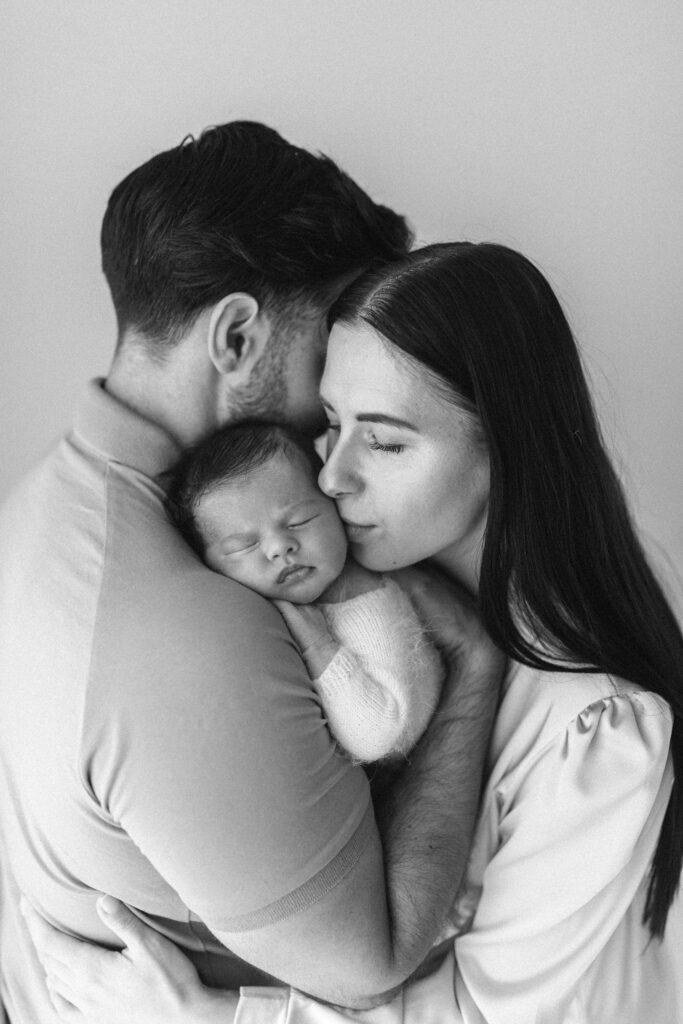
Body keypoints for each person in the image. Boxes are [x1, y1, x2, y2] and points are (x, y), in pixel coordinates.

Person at [26, 241, 683, 1023]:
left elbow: (477, 1014)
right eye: (330, 425)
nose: (332, 476)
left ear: (503, 450)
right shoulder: (370, 609)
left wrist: (201, 1014)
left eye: (386, 440)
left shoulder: (595, 730)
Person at [0, 125, 503, 1024]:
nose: (336, 411)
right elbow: (374, 958)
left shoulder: (34, 506)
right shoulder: (191, 620)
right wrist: (469, 673)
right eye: (327, 356)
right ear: (236, 335)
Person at [164, 419, 443, 762]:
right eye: (244, 546)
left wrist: (319, 647)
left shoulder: (363, 599)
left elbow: (382, 736)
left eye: (299, 521)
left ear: (335, 507)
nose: (281, 547)